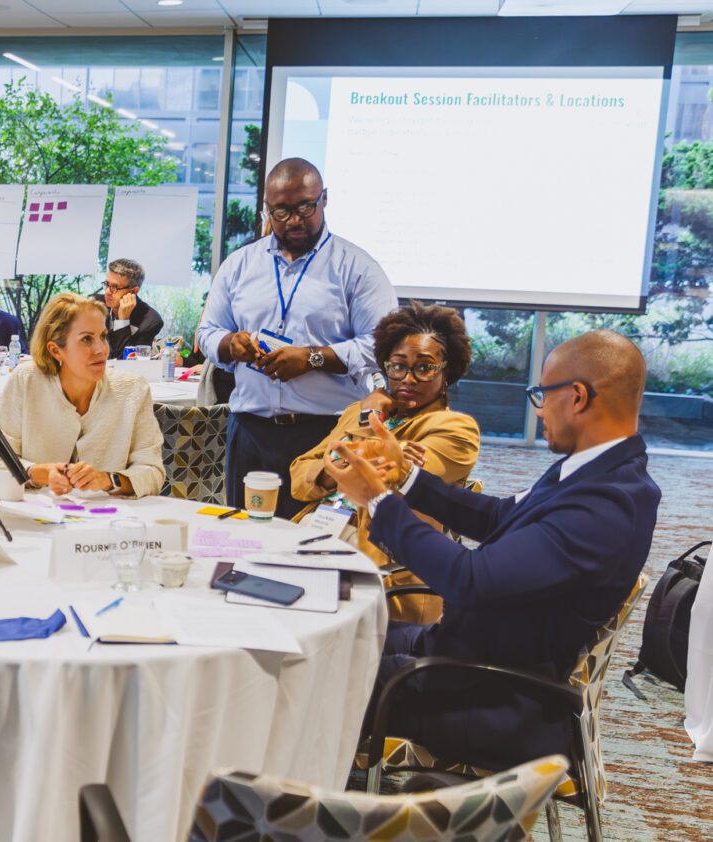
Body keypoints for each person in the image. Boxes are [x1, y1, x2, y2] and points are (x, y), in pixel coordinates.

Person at [324, 329, 660, 769]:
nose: (538, 410)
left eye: (542, 394)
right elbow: (500, 516)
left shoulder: (608, 505)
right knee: (334, 635)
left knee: (315, 675)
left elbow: (471, 581)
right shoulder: (593, 471)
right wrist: (405, 475)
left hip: (489, 696)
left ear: (577, 396)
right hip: (467, 653)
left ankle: (292, 797)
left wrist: (379, 501)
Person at [196, 157, 397, 518]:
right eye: (281, 211)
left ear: (324, 199)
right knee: (246, 535)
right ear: (266, 209)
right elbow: (208, 332)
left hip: (326, 433)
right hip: (250, 431)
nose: (294, 220)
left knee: (313, 539)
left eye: (306, 207)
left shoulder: (358, 268)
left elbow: (381, 346)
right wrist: (231, 345)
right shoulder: (239, 265)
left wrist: (312, 358)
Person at [288, 301, 480, 624]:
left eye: (425, 368)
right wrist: (371, 426)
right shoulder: (360, 411)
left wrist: (357, 441)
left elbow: (393, 480)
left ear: (445, 373)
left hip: (385, 561)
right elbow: (298, 476)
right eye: (398, 366)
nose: (408, 379)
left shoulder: (456, 429)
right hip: (319, 530)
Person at [0, 293, 164, 498]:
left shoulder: (132, 389)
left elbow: (153, 472)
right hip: (35, 513)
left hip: (109, 514)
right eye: (86, 339)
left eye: (103, 336)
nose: (101, 349)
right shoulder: (26, 381)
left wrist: (107, 480)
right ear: (56, 350)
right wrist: (40, 473)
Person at [91, 258, 164, 360]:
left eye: (115, 287)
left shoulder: (150, 321)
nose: (107, 292)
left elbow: (125, 361)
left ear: (133, 291)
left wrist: (123, 321)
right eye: (107, 284)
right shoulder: (94, 304)